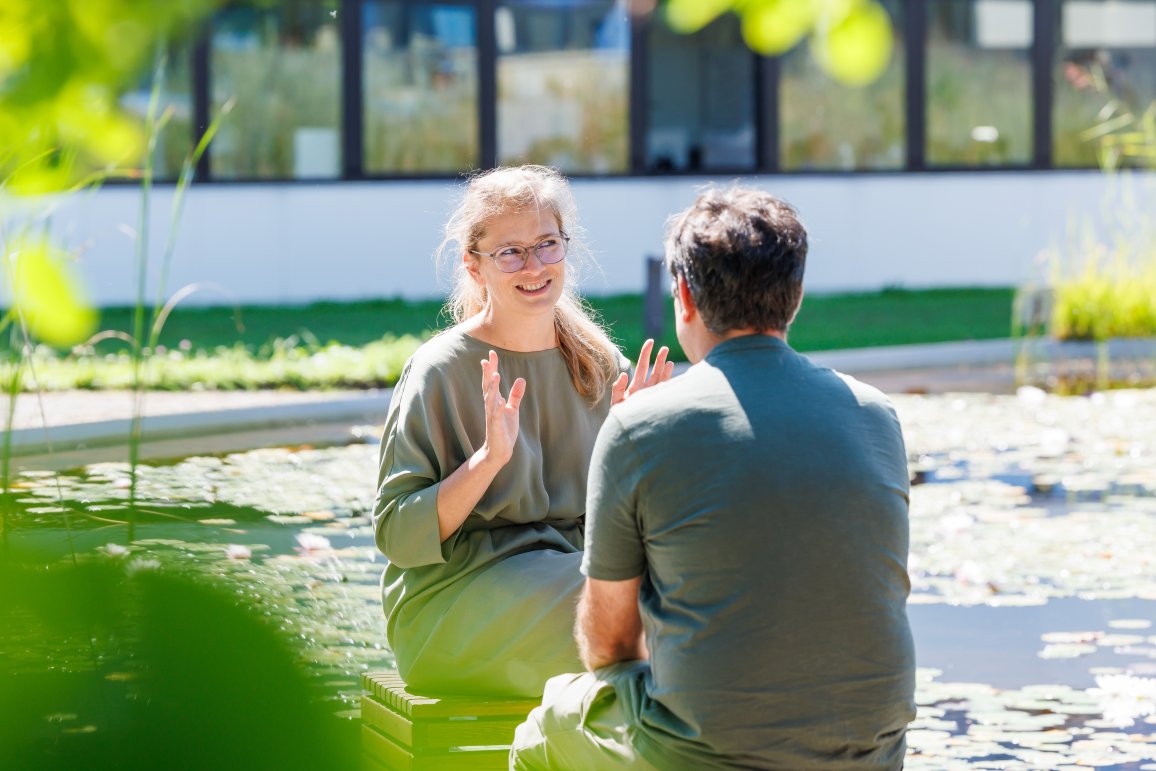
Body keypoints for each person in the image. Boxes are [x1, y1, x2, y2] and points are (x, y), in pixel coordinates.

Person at [510, 186, 917, 769]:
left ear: (683, 295)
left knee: (546, 724)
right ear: (794, 295)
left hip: (707, 755)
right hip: (873, 752)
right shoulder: (876, 415)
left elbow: (609, 647)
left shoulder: (638, 427)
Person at [373, 165, 672, 698]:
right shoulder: (440, 369)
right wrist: (487, 460)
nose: (533, 265)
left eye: (547, 245)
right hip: (455, 601)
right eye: (510, 252)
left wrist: (636, 448)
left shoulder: (598, 364)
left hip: (574, 577)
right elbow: (397, 533)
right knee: (652, 609)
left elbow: (631, 524)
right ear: (474, 264)